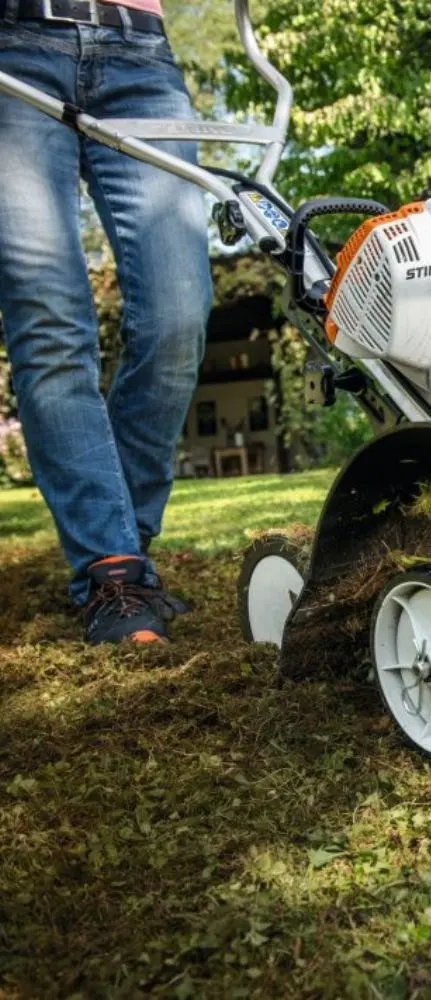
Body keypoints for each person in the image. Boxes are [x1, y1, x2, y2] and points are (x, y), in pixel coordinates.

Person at [0, 0, 212, 643]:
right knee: (50, 322)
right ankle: (112, 570)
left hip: (140, 54)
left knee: (179, 315)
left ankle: (125, 542)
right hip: (13, 48)